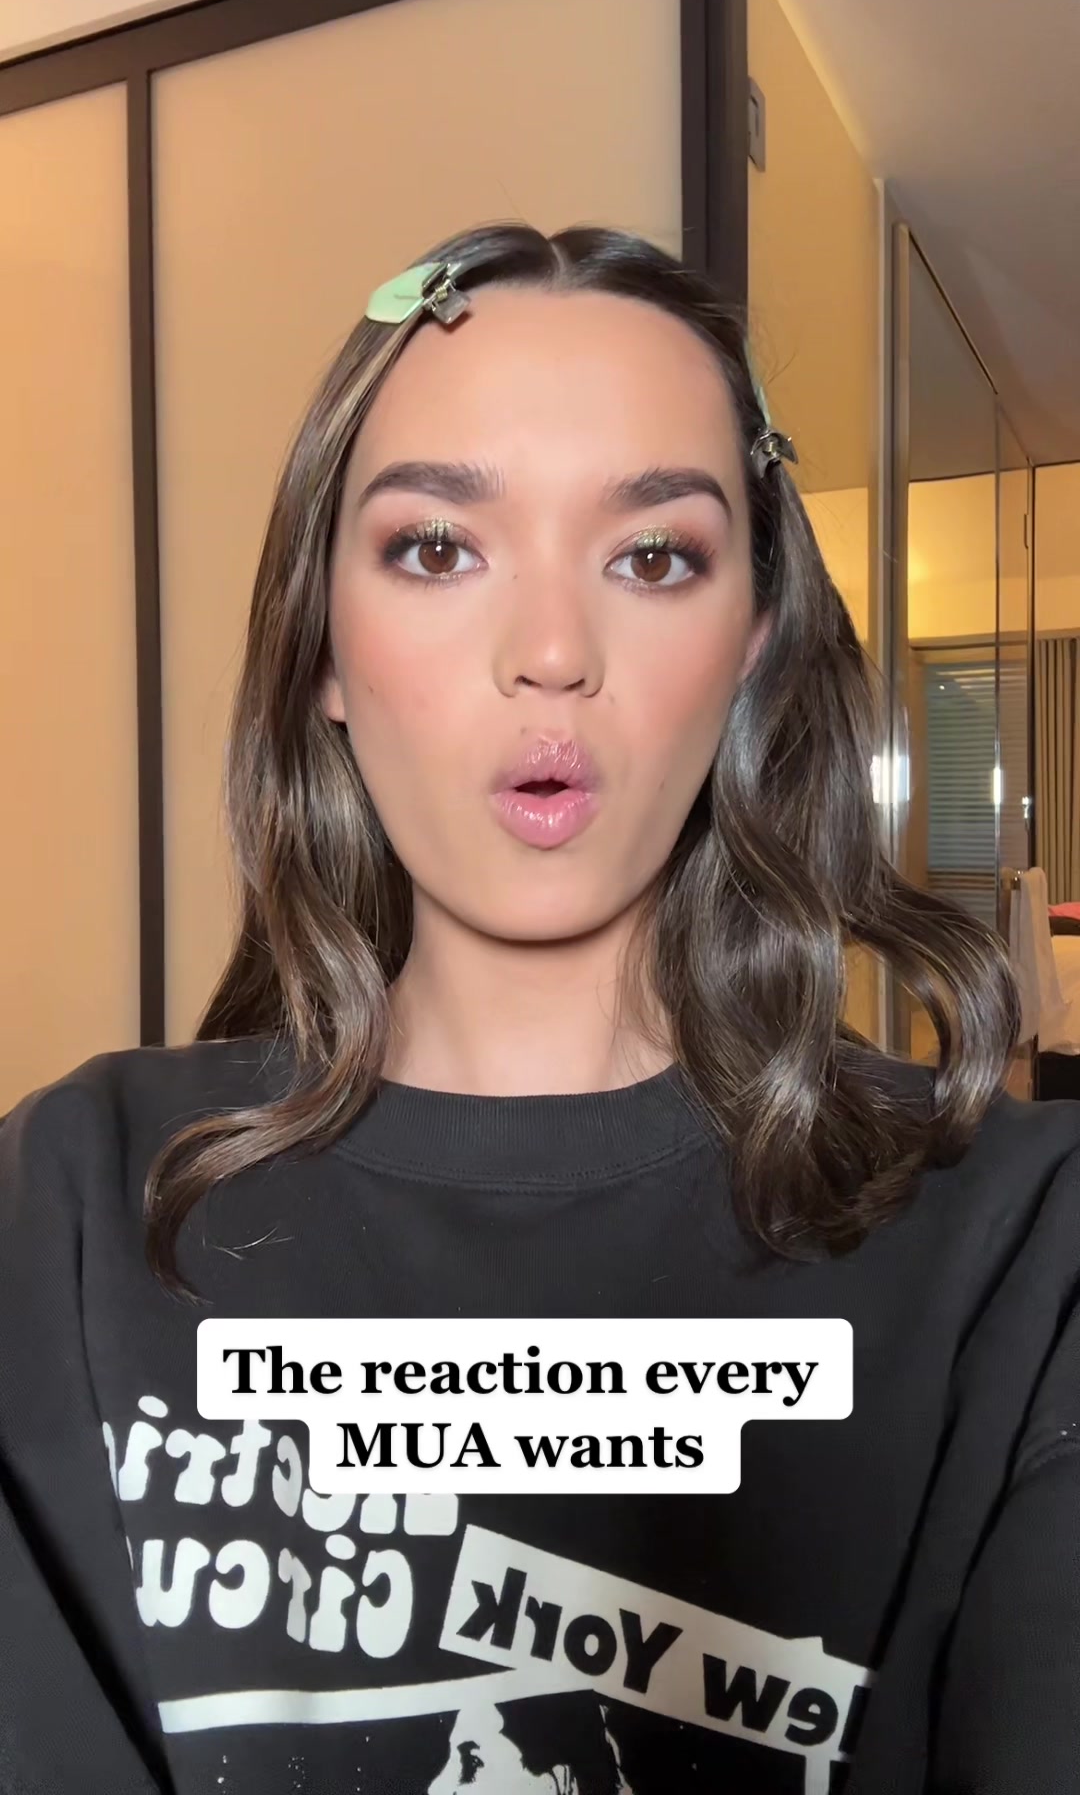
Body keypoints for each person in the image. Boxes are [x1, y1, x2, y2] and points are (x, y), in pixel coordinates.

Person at [1, 221, 1078, 1795]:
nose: (554, 654)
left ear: (753, 643)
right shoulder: (72, 1203)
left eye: (654, 557)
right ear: (324, 650)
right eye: (439, 547)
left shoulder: (1024, 1247)